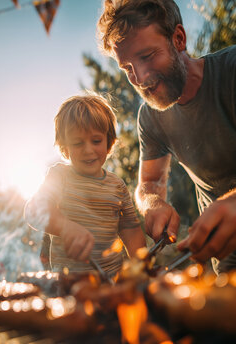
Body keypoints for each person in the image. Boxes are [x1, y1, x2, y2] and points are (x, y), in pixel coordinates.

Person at [97, 0, 236, 274]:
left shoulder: (231, 70)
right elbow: (148, 183)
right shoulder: (150, 118)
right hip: (227, 254)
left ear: (179, 39)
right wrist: (153, 204)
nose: (139, 78)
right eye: (127, 68)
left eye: (147, 56)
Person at [24, 93, 146, 276]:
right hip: (69, 286)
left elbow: (130, 229)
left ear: (109, 142)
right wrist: (64, 227)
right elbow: (34, 211)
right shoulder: (59, 176)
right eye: (77, 143)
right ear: (65, 148)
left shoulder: (117, 185)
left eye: (96, 141)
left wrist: (141, 265)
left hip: (113, 283)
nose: (88, 150)